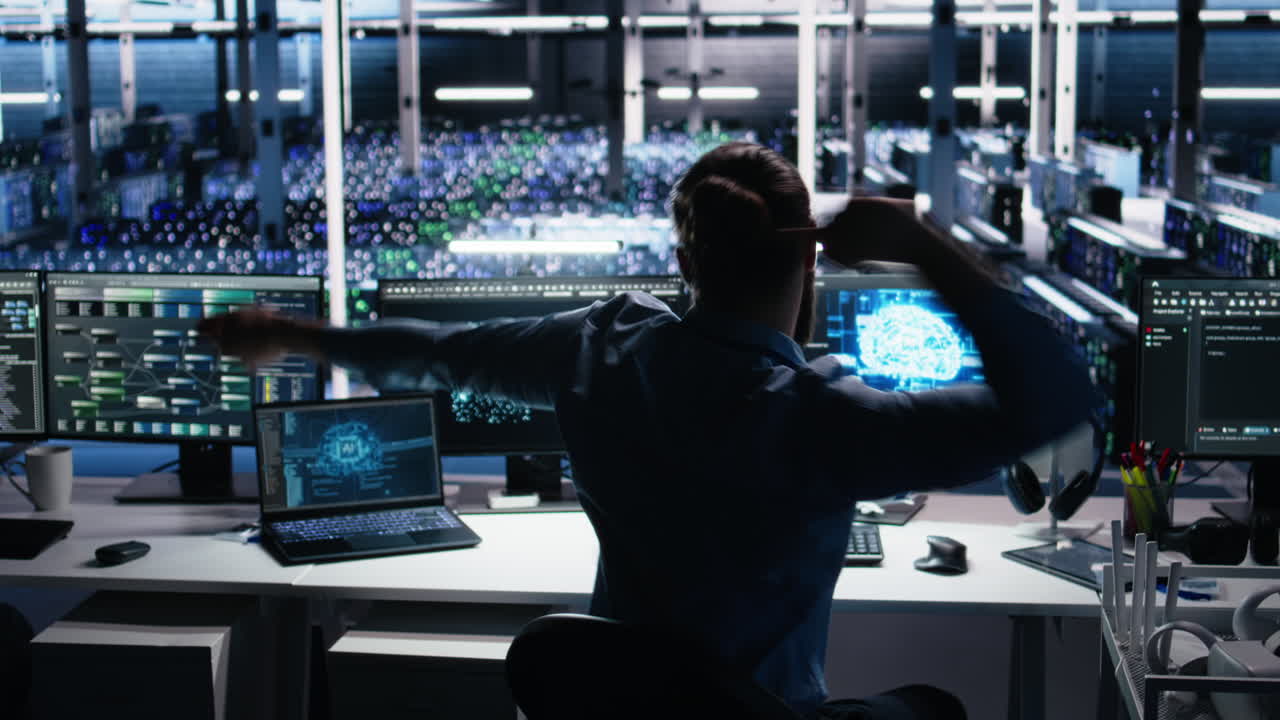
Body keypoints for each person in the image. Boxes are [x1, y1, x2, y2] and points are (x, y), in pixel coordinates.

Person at [199, 142, 1097, 719]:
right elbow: (1058, 397)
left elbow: (442, 355)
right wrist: (926, 247)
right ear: (808, 257)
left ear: (683, 259)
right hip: (768, 714)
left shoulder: (597, 350)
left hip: (622, 708)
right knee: (936, 707)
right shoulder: (830, 419)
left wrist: (298, 335)